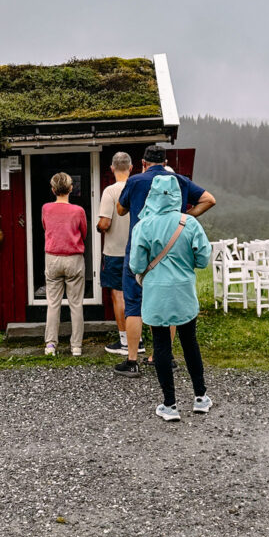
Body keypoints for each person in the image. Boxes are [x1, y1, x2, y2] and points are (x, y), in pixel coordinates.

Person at [114, 143, 216, 377]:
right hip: (173, 251)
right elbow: (209, 199)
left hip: (140, 249)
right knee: (169, 302)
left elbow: (120, 210)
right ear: (166, 163)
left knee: (133, 305)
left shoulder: (135, 181)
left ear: (143, 163)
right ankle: (162, 356)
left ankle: (132, 361)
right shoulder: (179, 181)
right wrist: (185, 217)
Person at [129, 173, 212, 420]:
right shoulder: (189, 223)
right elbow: (203, 259)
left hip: (156, 293)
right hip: (184, 291)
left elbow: (136, 264)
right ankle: (200, 398)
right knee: (190, 342)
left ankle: (170, 405)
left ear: (151, 196)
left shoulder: (143, 225)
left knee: (162, 345)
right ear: (177, 195)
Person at [42, 171, 88, 357]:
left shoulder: (46, 208)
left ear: (53, 189)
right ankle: (76, 346)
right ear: (71, 188)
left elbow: (45, 227)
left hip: (52, 257)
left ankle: (51, 345)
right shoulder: (78, 211)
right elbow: (83, 233)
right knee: (76, 304)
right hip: (74, 258)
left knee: (53, 303)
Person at [97, 151, 133, 354]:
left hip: (115, 251)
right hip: (137, 250)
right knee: (136, 294)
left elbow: (105, 222)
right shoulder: (137, 188)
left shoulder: (110, 192)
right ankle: (138, 339)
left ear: (112, 169)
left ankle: (124, 342)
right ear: (131, 167)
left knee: (118, 295)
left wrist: (97, 226)